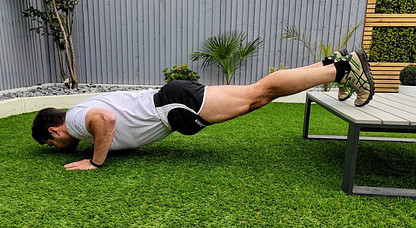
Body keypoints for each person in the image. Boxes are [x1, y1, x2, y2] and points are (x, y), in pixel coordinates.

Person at [32, 49, 374, 170]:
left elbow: (105, 120)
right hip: (173, 101)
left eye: (52, 145)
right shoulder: (80, 111)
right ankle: (332, 65)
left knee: (259, 93)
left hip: (173, 105)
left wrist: (95, 161)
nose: (59, 147)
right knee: (260, 95)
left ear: (54, 131)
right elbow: (110, 123)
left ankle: (343, 71)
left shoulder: (75, 121)